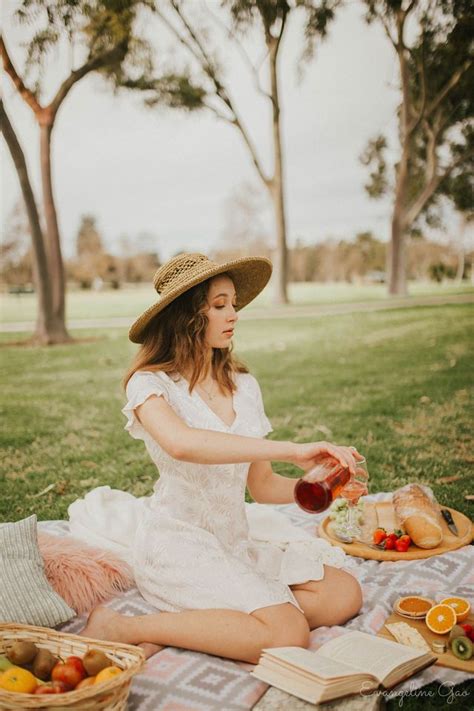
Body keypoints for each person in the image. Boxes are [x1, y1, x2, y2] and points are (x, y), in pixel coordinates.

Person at [80, 252, 365, 664]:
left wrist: (332, 488)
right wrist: (291, 450)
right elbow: (184, 443)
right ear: (187, 315)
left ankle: (216, 627)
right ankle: (124, 627)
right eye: (219, 305)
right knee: (288, 633)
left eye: (233, 303)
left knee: (343, 593)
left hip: (234, 543)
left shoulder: (244, 386)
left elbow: (262, 486)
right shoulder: (149, 385)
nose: (233, 314)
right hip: (177, 544)